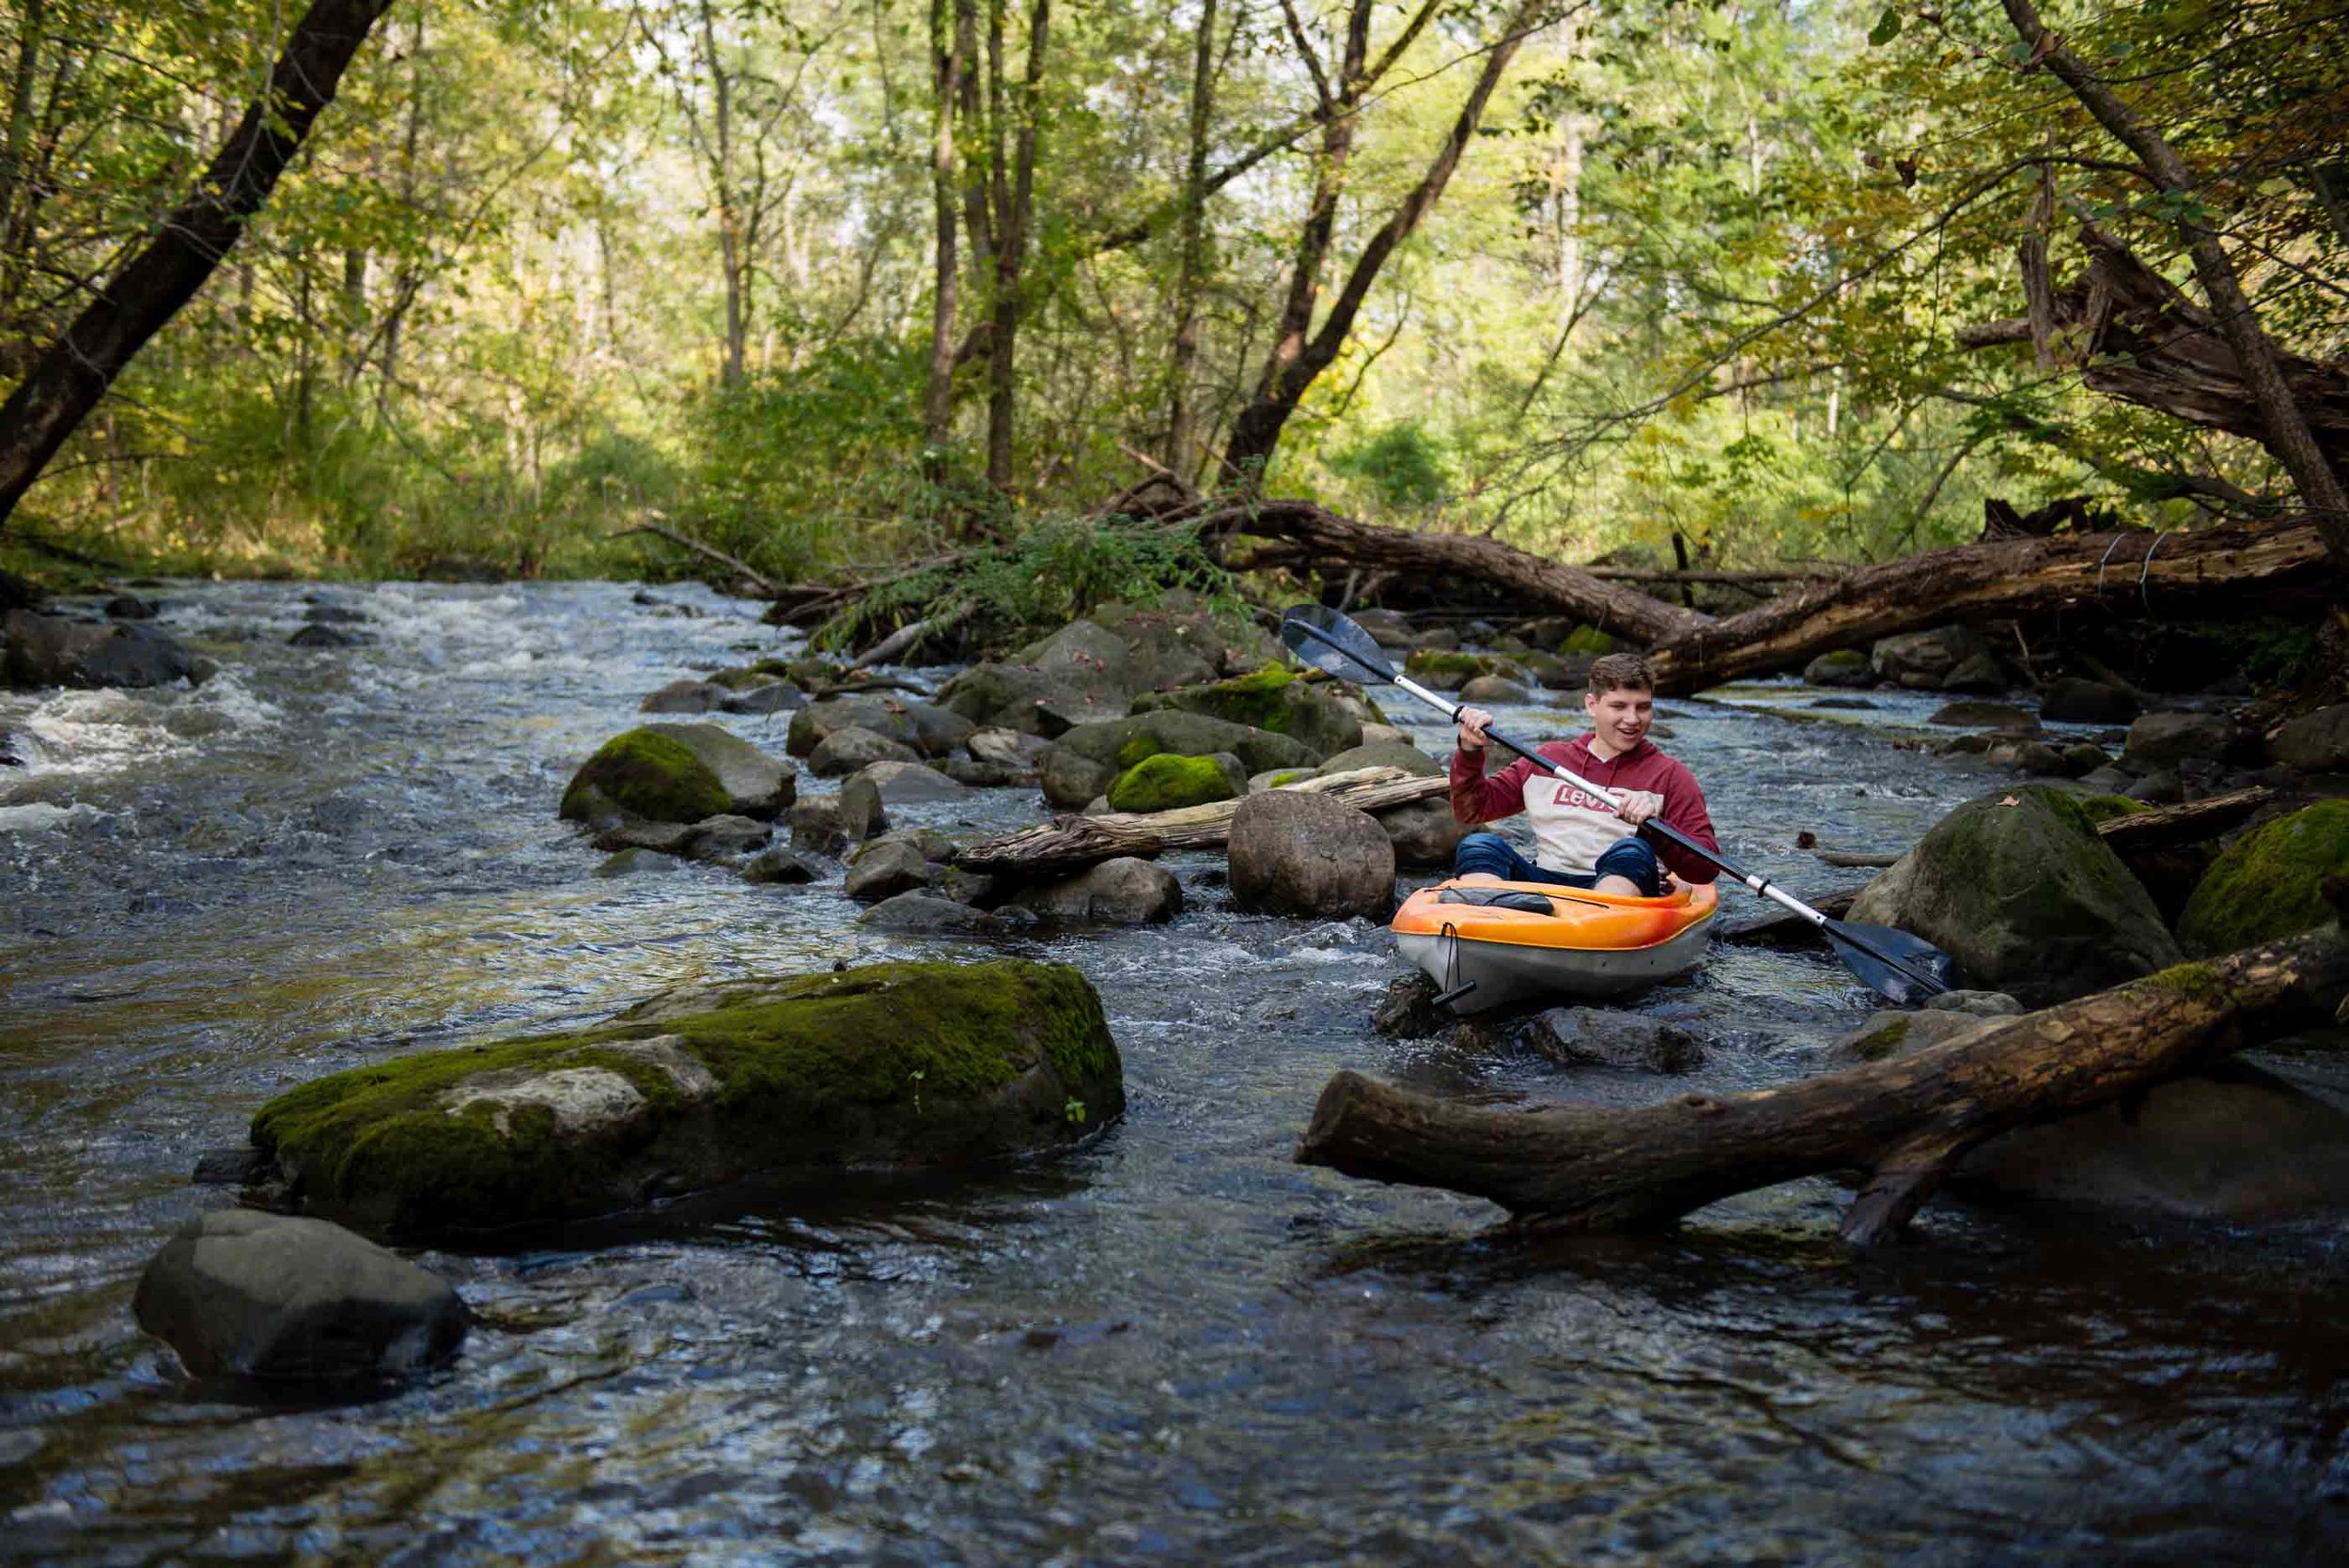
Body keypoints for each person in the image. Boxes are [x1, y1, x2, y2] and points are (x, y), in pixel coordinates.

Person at [1448, 651, 1719, 897]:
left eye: (1643, 707)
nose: (1633, 719)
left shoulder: (1671, 775)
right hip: (1544, 883)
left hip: (1624, 886)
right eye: (1619, 706)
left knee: (1633, 851)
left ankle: (1597, 923)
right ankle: (1482, 916)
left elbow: (1705, 870)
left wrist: (1656, 828)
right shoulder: (1548, 759)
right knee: (1480, 845)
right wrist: (1470, 751)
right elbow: (1473, 811)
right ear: (1592, 705)